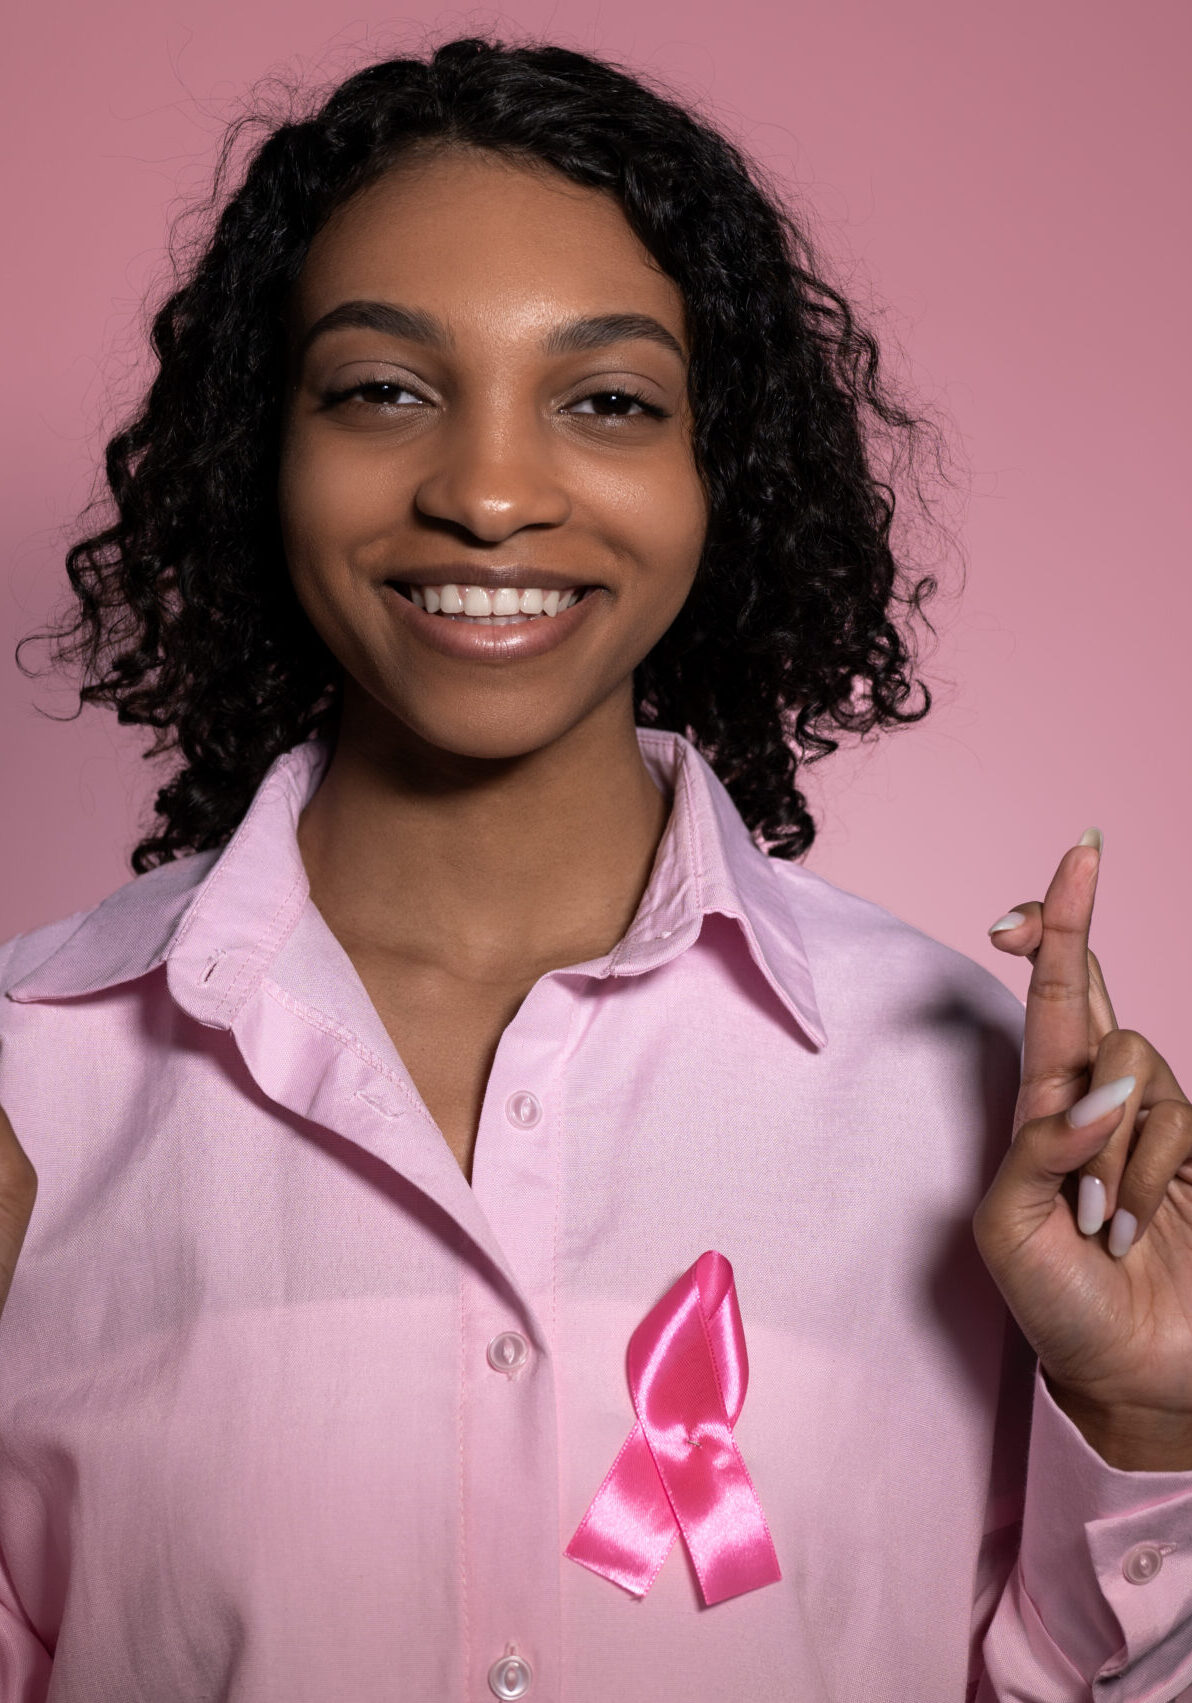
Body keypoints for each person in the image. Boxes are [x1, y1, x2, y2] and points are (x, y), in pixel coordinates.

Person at [0, 34, 1189, 1703]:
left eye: (611, 400)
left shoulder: (971, 1099)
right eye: (383, 389)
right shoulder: (23, 1085)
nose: (489, 493)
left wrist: (1144, 1428)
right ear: (259, 453)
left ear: (728, 474)